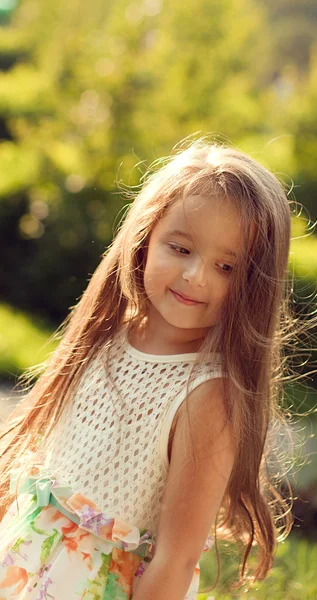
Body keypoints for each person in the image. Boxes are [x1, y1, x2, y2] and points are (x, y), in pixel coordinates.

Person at [0, 138, 295, 599]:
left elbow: (176, 561)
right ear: (144, 239)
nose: (197, 276)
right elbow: (39, 474)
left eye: (226, 266)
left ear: (254, 285)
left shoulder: (206, 396)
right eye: (180, 249)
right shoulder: (104, 336)